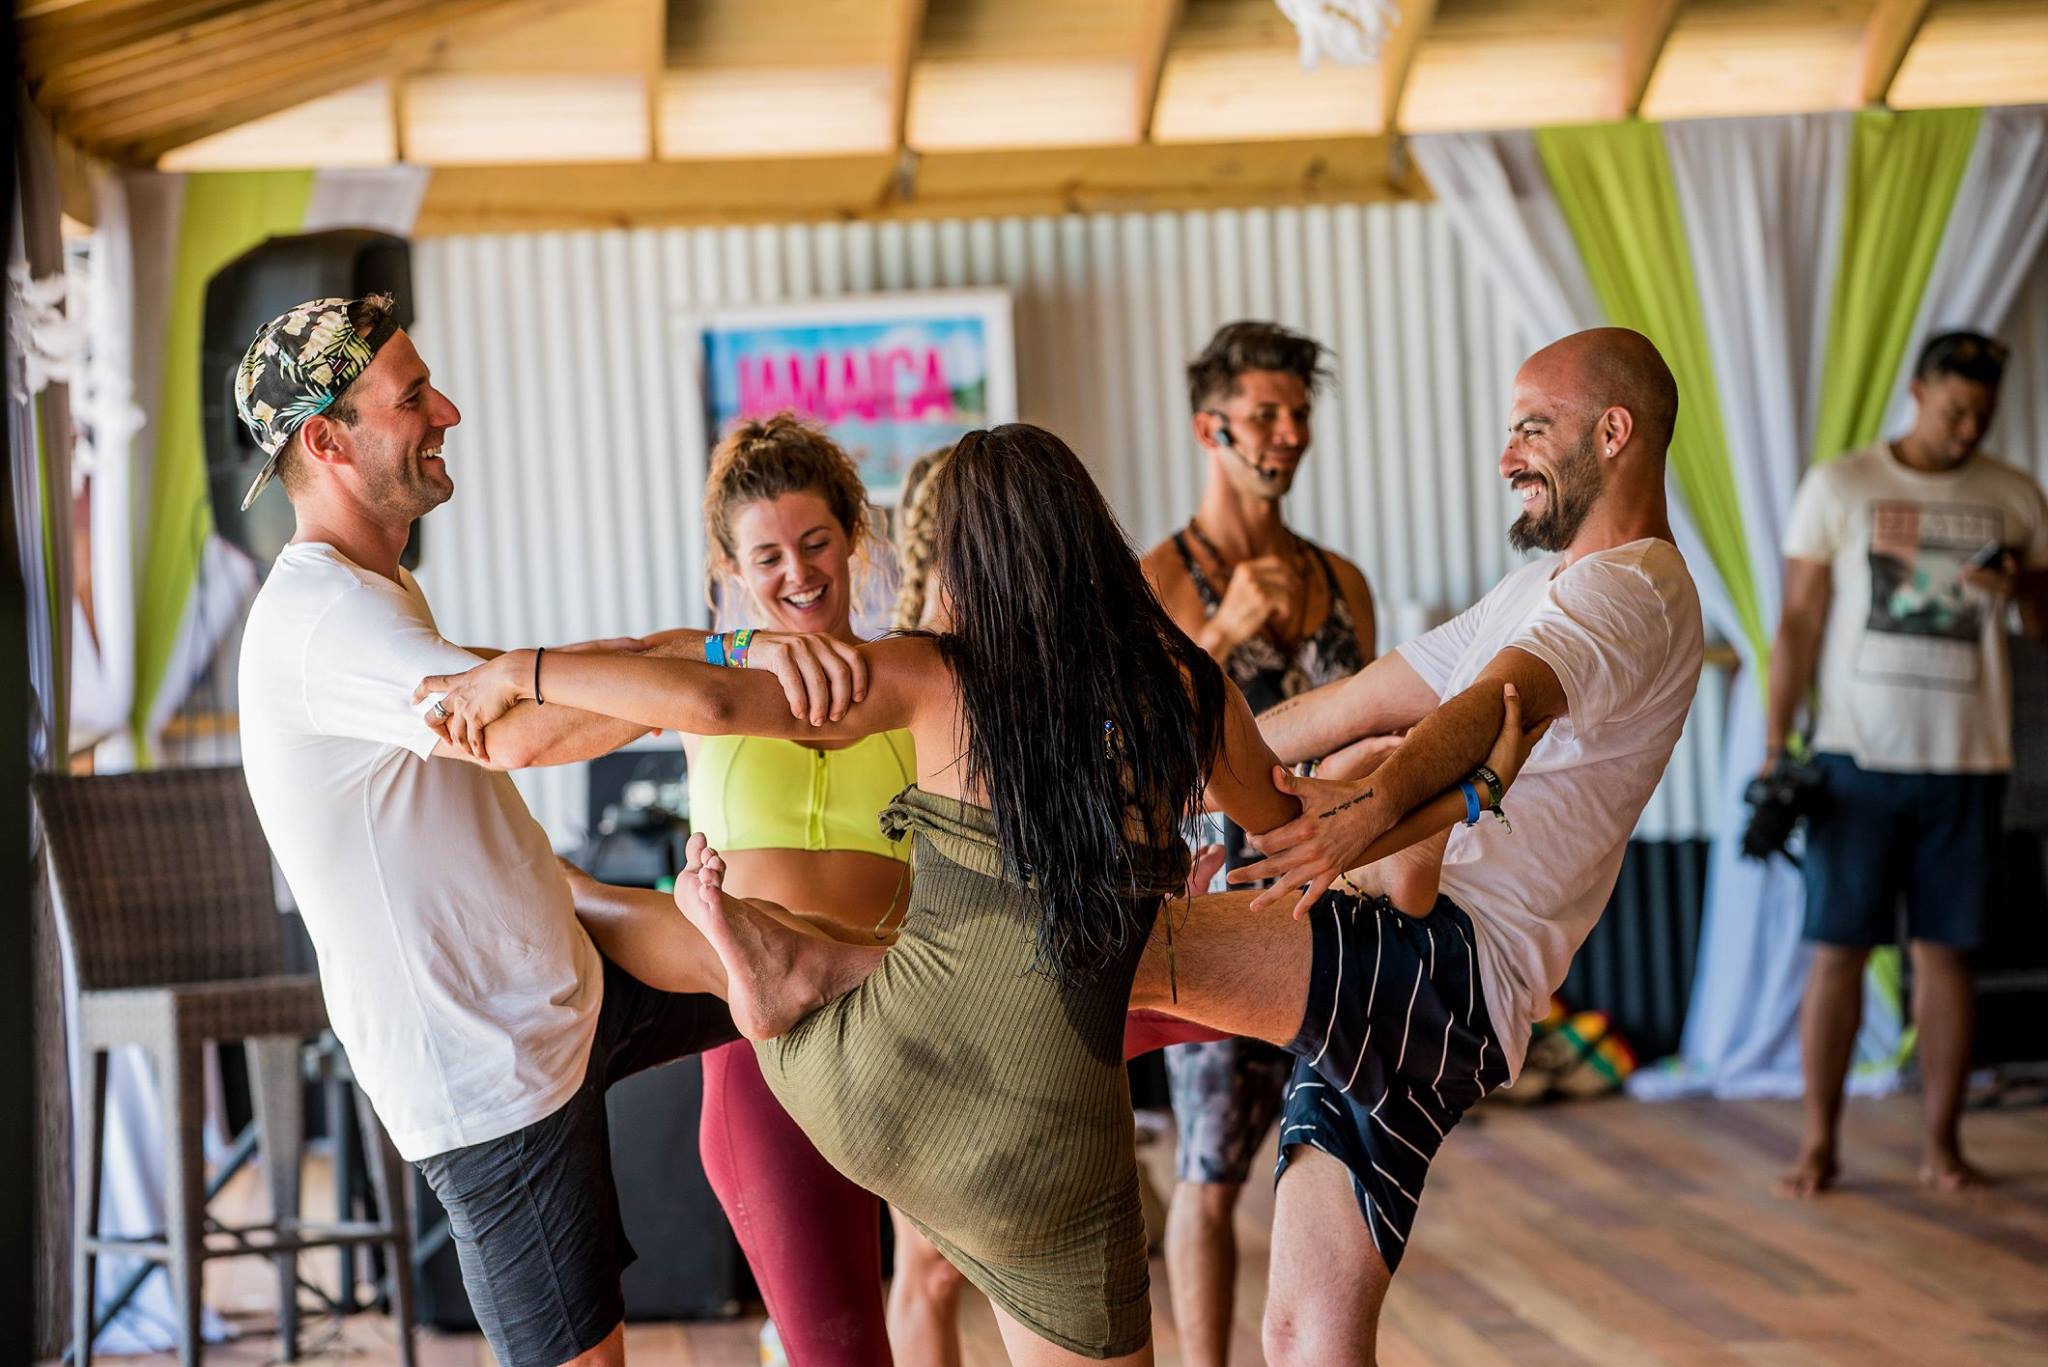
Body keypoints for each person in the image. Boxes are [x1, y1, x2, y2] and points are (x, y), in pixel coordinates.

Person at [420, 423, 1542, 1364]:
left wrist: (517, 667)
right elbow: (1295, 831)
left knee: (837, 976)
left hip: (875, 1079)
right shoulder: (1180, 689)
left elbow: (705, 698)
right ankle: (785, 953)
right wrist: (1440, 785)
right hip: (1050, 1120)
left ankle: (757, 950)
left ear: (956, 553)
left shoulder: (925, 675)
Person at [231, 295, 864, 1367]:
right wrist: (718, 663)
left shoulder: (376, 592)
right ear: (327, 441)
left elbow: (542, 669)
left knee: (809, 961)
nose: (448, 410)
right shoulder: (324, 620)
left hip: (566, 986)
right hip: (488, 1074)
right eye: (412, 396)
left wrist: (698, 641)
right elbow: (518, 729)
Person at [1119, 325, 1706, 1363]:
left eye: (1531, 427)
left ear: (1612, 434)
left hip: (1439, 962)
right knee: (1302, 1327)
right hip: (1424, 966)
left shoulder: (1631, 589)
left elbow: (1490, 706)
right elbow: (1343, 705)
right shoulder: (1537, 589)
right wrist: (1157, 779)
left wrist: (1368, 803)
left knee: (1110, 948)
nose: (1504, 454)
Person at [567, 415, 968, 1367]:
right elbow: (567, 695)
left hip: (908, 1029)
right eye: (767, 555)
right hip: (765, 1046)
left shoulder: (913, 679)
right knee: (839, 1348)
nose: (798, 573)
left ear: (854, 536)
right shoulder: (707, 675)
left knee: (940, 1283)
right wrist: (733, 648)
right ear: (729, 567)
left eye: (817, 542)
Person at [1139, 320, 1375, 1367]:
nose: (1286, 434)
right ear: (1209, 427)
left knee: (1334, 1152)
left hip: (1333, 902)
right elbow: (1134, 751)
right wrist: (1222, 633)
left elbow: (1379, 741)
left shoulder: (1342, 582)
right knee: (1207, 1162)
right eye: (1264, 414)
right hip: (1214, 908)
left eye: (1298, 414)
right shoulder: (1154, 580)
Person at [1765, 331, 2048, 1199]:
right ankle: (1819, 1144)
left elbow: (2045, 623)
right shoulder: (1841, 484)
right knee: (1837, 952)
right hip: (1855, 761)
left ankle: (1944, 1146)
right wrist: (1778, 743)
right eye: (1955, 409)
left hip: (1970, 759)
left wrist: (2022, 592)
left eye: (1982, 416)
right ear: (1918, 391)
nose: (1967, 430)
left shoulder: (2016, 494)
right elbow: (1801, 622)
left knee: (1946, 955)